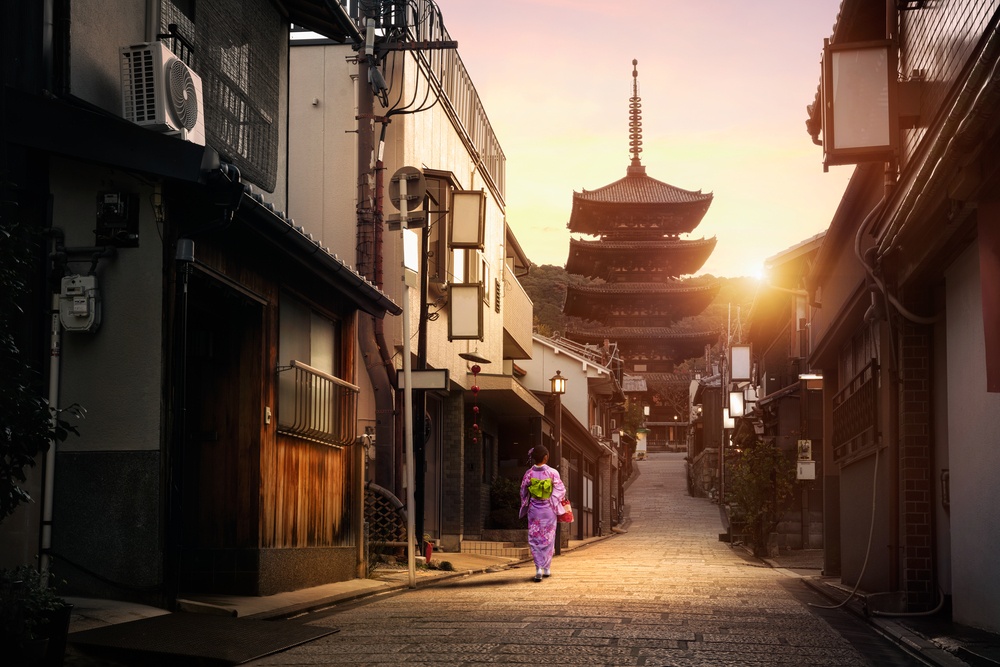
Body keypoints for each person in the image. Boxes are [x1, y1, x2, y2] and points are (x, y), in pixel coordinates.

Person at [519, 445, 566, 582]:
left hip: (534, 510)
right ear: (545, 457)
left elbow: (523, 491)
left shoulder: (529, 474)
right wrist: (551, 500)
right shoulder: (552, 473)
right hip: (548, 510)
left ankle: (538, 568)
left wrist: (527, 503)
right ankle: (546, 568)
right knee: (548, 538)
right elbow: (561, 490)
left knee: (535, 538)